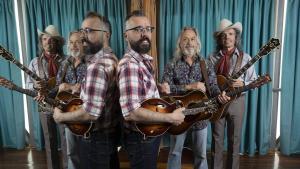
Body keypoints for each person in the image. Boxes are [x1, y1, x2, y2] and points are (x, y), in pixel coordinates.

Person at [117, 10, 185, 169]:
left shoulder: (143, 60)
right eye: (138, 29)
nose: (145, 33)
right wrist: (170, 118)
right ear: (126, 35)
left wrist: (158, 89)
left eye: (148, 29)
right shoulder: (130, 65)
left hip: (149, 134)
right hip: (141, 138)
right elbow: (131, 112)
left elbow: (142, 97)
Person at [53, 12, 121, 169]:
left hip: (96, 140)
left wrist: (61, 117)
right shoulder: (111, 57)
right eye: (82, 30)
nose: (83, 36)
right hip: (108, 136)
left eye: (90, 31)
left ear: (107, 35)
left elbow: (90, 113)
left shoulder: (98, 65)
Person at [160, 27, 230, 169]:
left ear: (197, 43)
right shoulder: (171, 64)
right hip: (178, 115)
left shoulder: (205, 63)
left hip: (201, 115)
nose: (189, 43)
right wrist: (189, 87)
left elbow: (213, 87)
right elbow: (165, 90)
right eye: (185, 39)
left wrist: (220, 96)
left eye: (192, 39)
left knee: (201, 155)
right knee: (175, 152)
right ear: (179, 43)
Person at [208, 19, 257, 169]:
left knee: (234, 140)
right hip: (218, 101)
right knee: (217, 140)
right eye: (224, 35)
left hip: (238, 101)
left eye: (230, 34)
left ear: (236, 37)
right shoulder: (211, 58)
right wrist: (216, 94)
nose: (227, 37)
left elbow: (254, 82)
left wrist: (243, 84)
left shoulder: (246, 58)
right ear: (219, 38)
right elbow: (208, 83)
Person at [26, 25, 67, 169]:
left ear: (57, 43)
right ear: (41, 41)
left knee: (66, 141)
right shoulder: (34, 62)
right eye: (44, 39)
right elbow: (28, 85)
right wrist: (36, 87)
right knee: (50, 143)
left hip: (64, 106)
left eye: (51, 40)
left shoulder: (66, 61)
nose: (48, 42)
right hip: (45, 106)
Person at [55, 31, 87, 169]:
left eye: (77, 42)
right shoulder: (65, 63)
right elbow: (57, 86)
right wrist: (44, 93)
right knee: (71, 152)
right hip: (69, 113)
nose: (73, 45)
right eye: (71, 42)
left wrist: (72, 86)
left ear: (84, 44)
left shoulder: (92, 62)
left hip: (87, 114)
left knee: (88, 153)